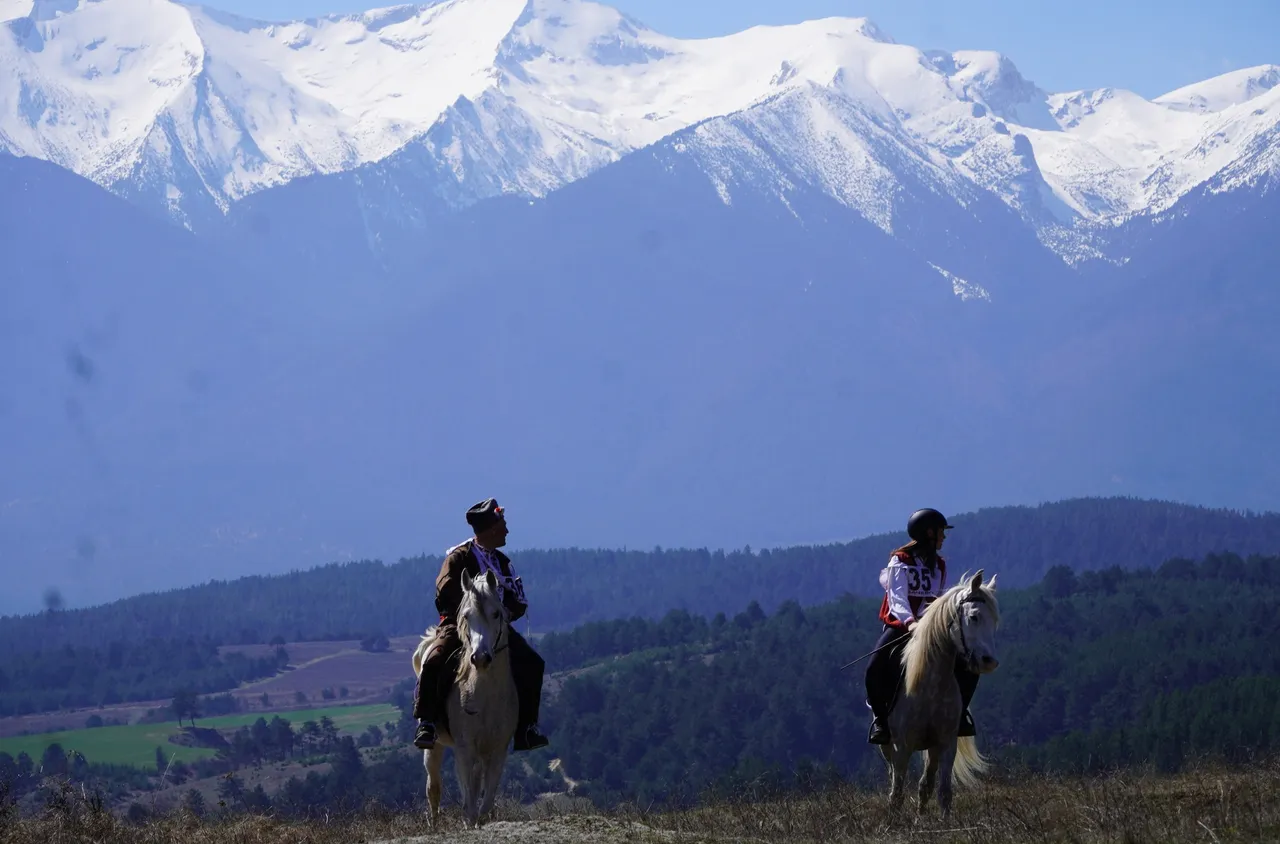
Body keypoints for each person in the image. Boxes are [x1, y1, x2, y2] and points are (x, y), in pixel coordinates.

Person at [412, 498, 549, 752]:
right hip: (460, 624)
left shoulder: (503, 563)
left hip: (497, 628)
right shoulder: (458, 558)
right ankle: (427, 722)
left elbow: (518, 600)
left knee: (532, 663)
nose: (507, 531)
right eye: (503, 525)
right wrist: (473, 610)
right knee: (434, 659)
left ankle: (526, 728)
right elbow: (444, 589)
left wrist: (504, 612)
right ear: (492, 529)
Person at [863, 507, 979, 745]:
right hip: (901, 626)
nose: (943, 537)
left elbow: (937, 598)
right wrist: (911, 623)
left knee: (970, 663)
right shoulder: (900, 561)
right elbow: (897, 598)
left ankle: (960, 714)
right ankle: (881, 720)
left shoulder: (939, 565)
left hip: (930, 628)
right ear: (929, 533)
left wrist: (934, 623)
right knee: (874, 668)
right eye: (940, 532)